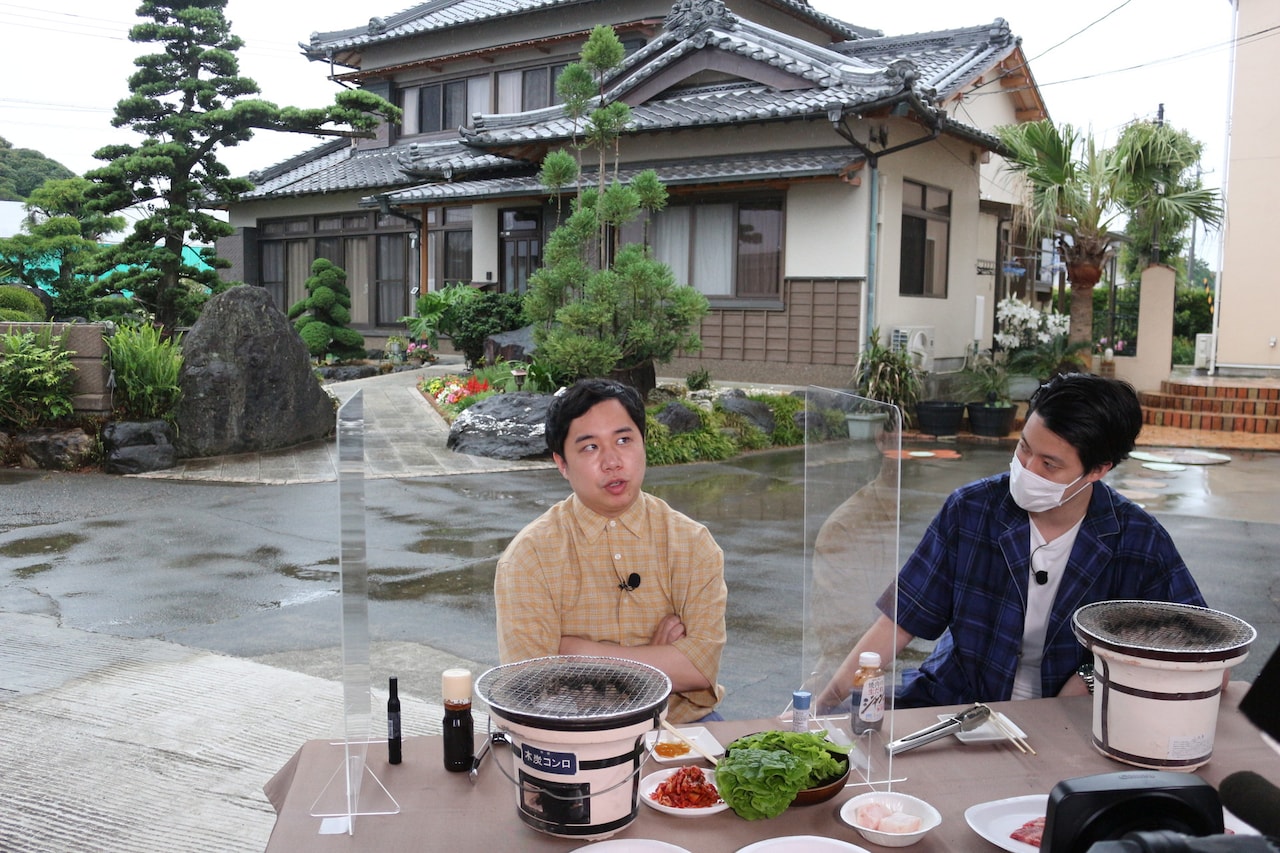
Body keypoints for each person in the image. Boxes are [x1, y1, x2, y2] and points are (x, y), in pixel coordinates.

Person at [817, 372, 1206, 711]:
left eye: (1049, 464)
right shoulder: (973, 509)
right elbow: (899, 622)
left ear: (1098, 469)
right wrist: (824, 703)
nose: (1027, 469)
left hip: (1073, 719)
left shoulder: (1138, 541)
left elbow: (1196, 649)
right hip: (957, 702)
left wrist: (1091, 676)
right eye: (1023, 447)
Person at [494, 378, 727, 723]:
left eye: (623, 440)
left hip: (679, 725)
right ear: (561, 463)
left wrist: (573, 652)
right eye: (590, 448)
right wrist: (658, 658)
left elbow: (698, 667)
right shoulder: (530, 557)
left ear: (643, 443)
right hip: (571, 734)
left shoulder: (692, 543)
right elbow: (532, 685)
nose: (613, 461)